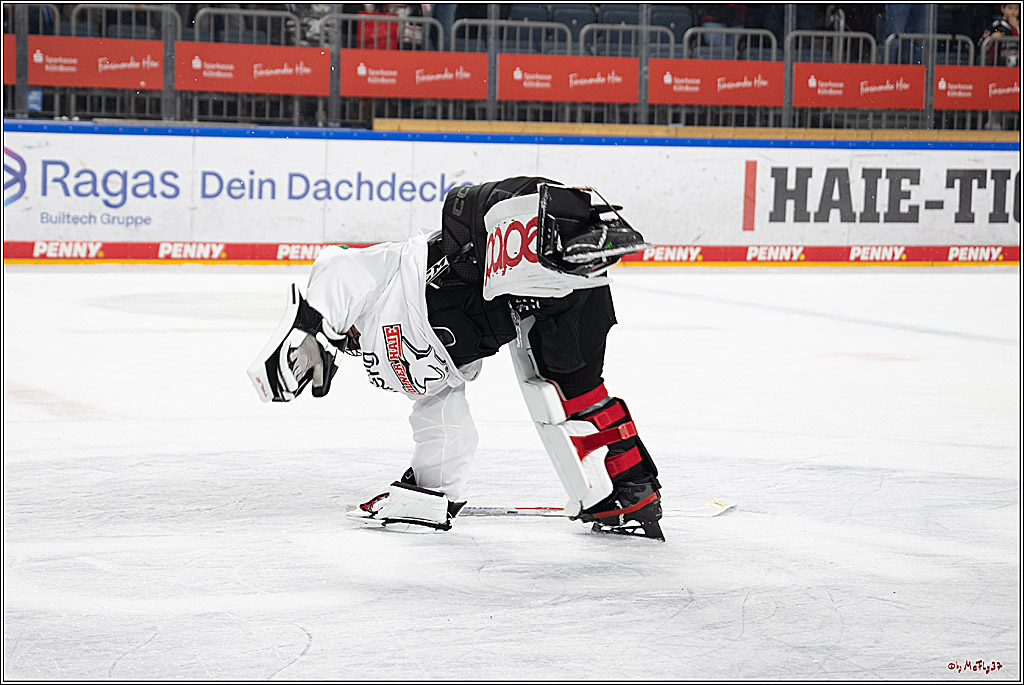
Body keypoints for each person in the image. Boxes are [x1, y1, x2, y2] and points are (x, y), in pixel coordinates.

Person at [248, 177, 666, 540]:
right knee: (573, 391)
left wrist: (313, 329)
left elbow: (337, 267)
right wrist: (430, 494)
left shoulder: (373, 285)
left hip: (465, 261)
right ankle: (631, 493)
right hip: (531, 303)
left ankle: (562, 227)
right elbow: (446, 426)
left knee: (471, 210)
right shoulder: (392, 371)